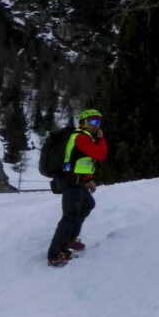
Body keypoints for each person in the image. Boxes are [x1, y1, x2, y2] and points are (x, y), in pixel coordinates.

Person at [46, 108, 107, 268]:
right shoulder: (81, 137)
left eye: (98, 122)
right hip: (69, 181)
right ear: (83, 123)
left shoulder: (85, 137)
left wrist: (88, 179)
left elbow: (78, 161)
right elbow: (100, 155)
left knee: (87, 204)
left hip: (77, 179)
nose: (96, 125)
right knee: (70, 215)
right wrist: (101, 139)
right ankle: (55, 253)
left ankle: (70, 239)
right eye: (93, 121)